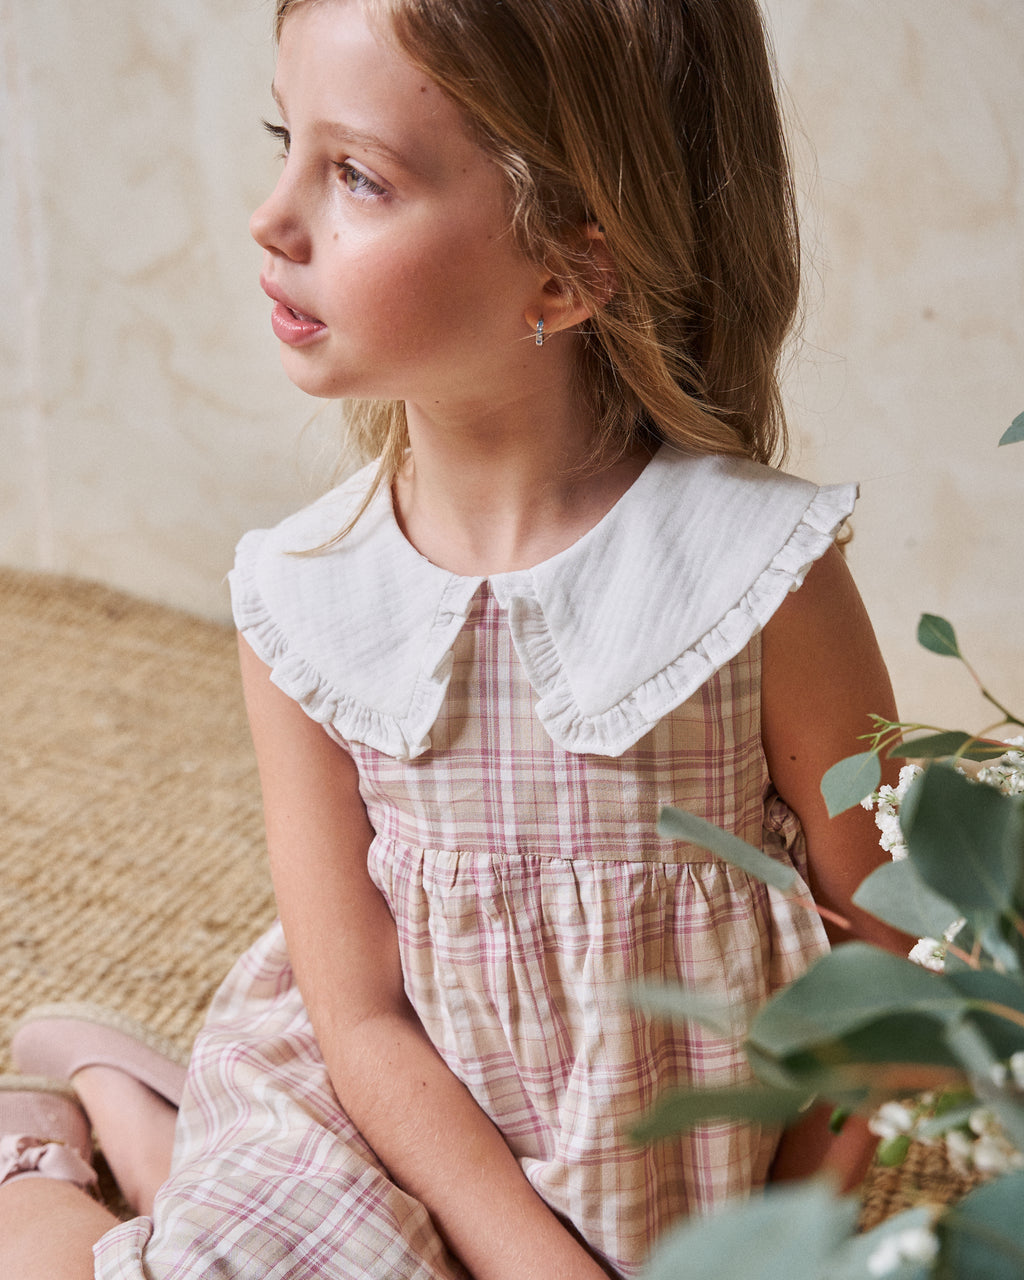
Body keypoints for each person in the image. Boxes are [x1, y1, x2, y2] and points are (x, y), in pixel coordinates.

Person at [0, 0, 905, 1275]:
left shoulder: (757, 578)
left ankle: (140, 1105)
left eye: (356, 176)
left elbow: (894, 937)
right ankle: (42, 1151)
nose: (269, 218)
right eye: (284, 139)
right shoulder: (305, 600)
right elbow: (359, 1019)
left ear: (571, 268)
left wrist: (784, 1243)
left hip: (663, 1182)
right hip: (388, 1125)